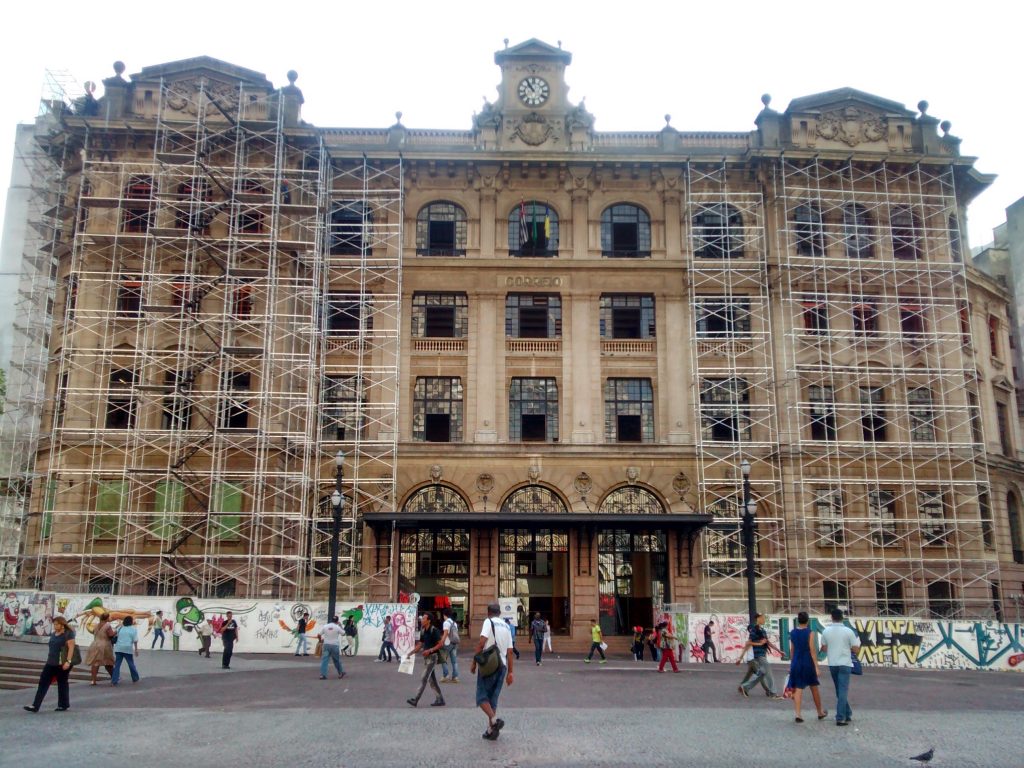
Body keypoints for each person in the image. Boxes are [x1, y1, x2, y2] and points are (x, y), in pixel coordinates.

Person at [471, 601, 515, 741]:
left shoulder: (488, 622)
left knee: (481, 697)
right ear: (500, 612)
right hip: (502, 666)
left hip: (489, 665)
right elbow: (510, 652)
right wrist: (510, 672)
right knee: (493, 699)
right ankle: (491, 731)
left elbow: (482, 642)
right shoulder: (507, 627)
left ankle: (494, 721)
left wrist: (474, 662)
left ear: (488, 612)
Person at [24, 615, 76, 712]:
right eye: (54, 624)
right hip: (51, 662)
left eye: (56, 624)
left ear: (62, 624)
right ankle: (35, 705)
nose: (55, 626)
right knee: (43, 682)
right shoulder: (53, 634)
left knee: (62, 683)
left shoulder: (69, 634)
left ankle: (63, 704)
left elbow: (71, 648)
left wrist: (68, 662)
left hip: (62, 663)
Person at [820, 608, 861, 727]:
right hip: (845, 662)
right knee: (843, 690)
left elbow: (823, 648)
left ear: (831, 617)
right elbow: (856, 649)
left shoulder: (826, 631)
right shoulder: (848, 631)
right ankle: (841, 717)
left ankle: (847, 713)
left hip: (833, 663)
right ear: (842, 618)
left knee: (839, 689)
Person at [788, 611, 828, 723]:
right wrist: (816, 666)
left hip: (796, 661)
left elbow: (792, 649)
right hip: (807, 661)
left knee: (798, 688)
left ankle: (798, 713)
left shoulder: (793, 632)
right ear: (808, 621)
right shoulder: (810, 633)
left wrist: (791, 664)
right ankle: (819, 712)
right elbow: (812, 650)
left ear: (798, 620)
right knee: (814, 686)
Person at [739, 613, 782, 699]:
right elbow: (749, 642)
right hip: (759, 655)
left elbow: (767, 642)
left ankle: (745, 687)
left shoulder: (763, 630)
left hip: (762, 654)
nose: (764, 620)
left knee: (761, 673)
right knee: (768, 672)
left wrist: (779, 651)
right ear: (758, 619)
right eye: (762, 618)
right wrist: (759, 643)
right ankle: (773, 693)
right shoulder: (754, 630)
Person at [406, 613, 445, 707]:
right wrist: (410, 653)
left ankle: (416, 699)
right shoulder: (423, 631)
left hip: (432, 657)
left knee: (424, 678)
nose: (421, 620)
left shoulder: (434, 630)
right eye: (422, 618)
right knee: (431, 680)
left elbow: (441, 644)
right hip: (427, 658)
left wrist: (430, 650)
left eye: (424, 618)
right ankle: (440, 699)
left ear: (429, 621)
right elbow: (420, 644)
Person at [84, 612, 115, 684]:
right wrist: (116, 632)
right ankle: (114, 677)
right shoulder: (108, 626)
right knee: (108, 662)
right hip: (105, 645)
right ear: (107, 618)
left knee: (95, 663)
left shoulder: (96, 625)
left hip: (95, 644)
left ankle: (93, 680)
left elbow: (93, 632)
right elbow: (110, 635)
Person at [111, 615, 140, 686]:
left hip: (118, 648)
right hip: (127, 648)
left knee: (117, 665)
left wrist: (119, 625)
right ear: (131, 622)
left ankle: (114, 680)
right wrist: (136, 649)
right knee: (131, 664)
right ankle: (135, 678)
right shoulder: (133, 629)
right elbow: (135, 640)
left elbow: (113, 634)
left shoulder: (120, 628)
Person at [318, 615, 346, 680]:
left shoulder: (325, 626)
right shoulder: (337, 627)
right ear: (337, 621)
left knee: (324, 660)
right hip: (335, 645)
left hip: (326, 644)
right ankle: (340, 673)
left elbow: (319, 635)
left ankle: (322, 675)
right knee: (336, 660)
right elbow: (344, 633)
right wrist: (340, 625)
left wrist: (320, 640)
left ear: (331, 620)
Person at [440, 607, 460, 683]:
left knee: (443, 659)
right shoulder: (454, 623)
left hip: (447, 643)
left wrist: (441, 642)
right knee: (454, 661)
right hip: (454, 643)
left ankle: (446, 675)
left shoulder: (446, 623)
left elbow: (445, 634)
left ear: (445, 615)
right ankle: (455, 677)